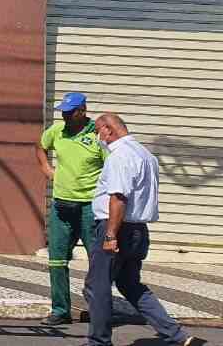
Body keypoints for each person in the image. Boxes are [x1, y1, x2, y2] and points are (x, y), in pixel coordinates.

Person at [86, 113, 203, 346]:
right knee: (130, 284)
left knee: (96, 287)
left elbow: (118, 198)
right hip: (138, 231)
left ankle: (99, 342)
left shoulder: (120, 156)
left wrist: (110, 235)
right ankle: (177, 335)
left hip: (117, 229)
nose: (96, 136)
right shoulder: (145, 154)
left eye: (98, 130)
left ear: (108, 130)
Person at [37, 92, 107, 326]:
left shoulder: (97, 135)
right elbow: (40, 147)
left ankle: (98, 309)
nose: (65, 116)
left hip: (89, 207)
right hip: (61, 207)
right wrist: (48, 171)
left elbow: (112, 166)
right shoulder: (57, 131)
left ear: (82, 111)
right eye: (64, 112)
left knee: (97, 261)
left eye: (70, 112)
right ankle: (60, 310)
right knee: (56, 260)